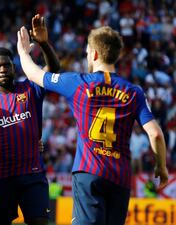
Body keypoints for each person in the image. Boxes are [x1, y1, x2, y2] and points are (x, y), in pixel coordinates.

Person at [17, 25, 169, 225]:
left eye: (88, 52)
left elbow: (34, 74)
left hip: (89, 172)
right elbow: (156, 134)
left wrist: (22, 52)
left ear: (95, 53)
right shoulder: (134, 92)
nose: (87, 55)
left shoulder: (77, 83)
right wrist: (161, 166)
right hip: (120, 177)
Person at [0, 14, 59, 225]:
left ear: (14, 66)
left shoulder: (30, 87)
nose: (3, 69)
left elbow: (53, 70)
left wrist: (44, 44)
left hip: (33, 174)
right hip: (1, 177)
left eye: (7, 65)